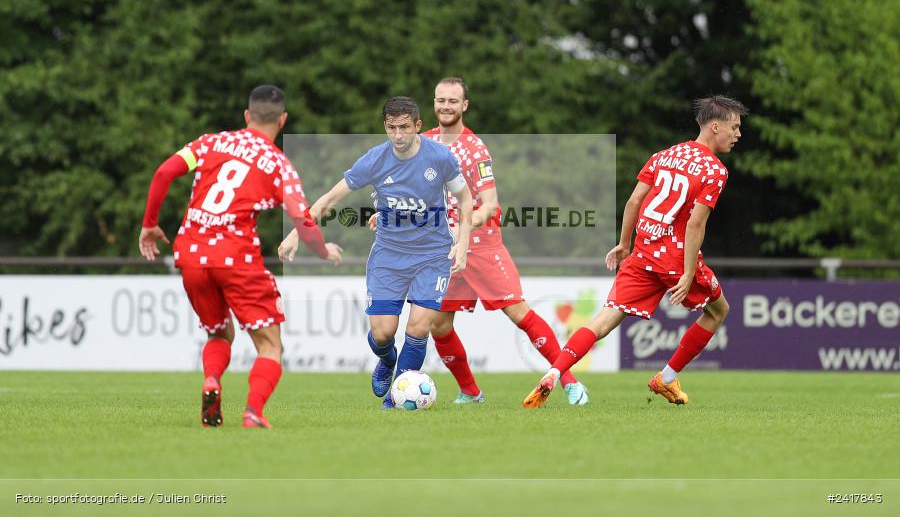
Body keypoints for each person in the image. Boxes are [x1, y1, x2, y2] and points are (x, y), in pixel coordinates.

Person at [139, 85, 343, 428]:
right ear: (283, 120)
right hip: (236, 257)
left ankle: (212, 381)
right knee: (270, 346)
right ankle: (253, 411)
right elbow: (302, 219)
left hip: (190, 255)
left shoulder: (210, 143)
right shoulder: (279, 165)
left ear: (247, 116)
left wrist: (149, 225)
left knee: (219, 334)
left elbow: (163, 173)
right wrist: (323, 251)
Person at [523, 95, 747, 408]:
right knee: (719, 310)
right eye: (734, 127)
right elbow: (695, 224)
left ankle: (555, 371)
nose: (737, 135)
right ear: (714, 126)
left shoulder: (663, 155)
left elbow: (633, 202)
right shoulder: (714, 170)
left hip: (642, 253)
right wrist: (687, 272)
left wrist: (623, 243)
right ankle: (666, 378)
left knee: (601, 321)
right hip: (674, 258)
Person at [279, 96, 473, 408]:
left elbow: (465, 199)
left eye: (405, 127)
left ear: (418, 126)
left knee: (419, 326)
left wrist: (462, 242)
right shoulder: (374, 160)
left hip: (433, 255)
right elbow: (330, 198)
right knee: (383, 333)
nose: (398, 135)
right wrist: (295, 233)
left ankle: (398, 395)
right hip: (388, 256)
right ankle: (386, 359)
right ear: (385, 126)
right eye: (392, 127)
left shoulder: (440, 157)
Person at [417, 77, 589, 405]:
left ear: (464, 105)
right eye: (441, 100)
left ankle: (569, 382)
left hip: (481, 244)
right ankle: (470, 391)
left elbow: (491, 204)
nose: (446, 106)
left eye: (453, 101)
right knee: (438, 324)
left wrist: (463, 229)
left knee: (517, 311)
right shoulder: (423, 143)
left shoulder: (475, 149)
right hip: (444, 248)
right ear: (434, 102)